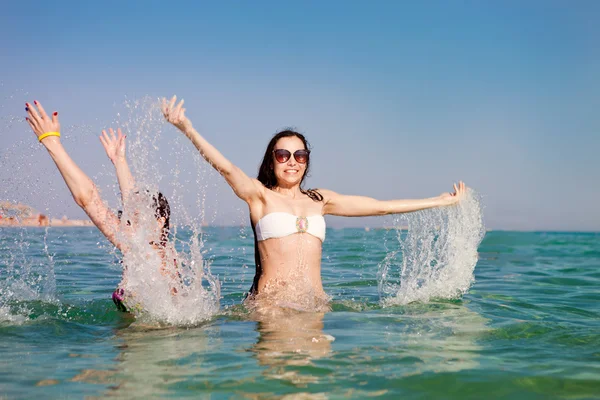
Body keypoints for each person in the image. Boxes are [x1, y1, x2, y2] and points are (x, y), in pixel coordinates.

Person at [161, 95, 467, 311]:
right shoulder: (260, 196)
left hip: (315, 305)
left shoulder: (320, 200)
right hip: (272, 306)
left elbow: (380, 206)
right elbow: (226, 168)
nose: (292, 162)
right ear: (272, 160)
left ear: (307, 161)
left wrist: (437, 201)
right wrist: (187, 129)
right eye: (283, 155)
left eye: (300, 155)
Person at [24, 100, 178, 313]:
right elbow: (130, 202)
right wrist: (120, 161)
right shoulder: (158, 253)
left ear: (160, 221)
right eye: (129, 216)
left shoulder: (143, 252)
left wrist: (52, 143)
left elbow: (89, 199)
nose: (129, 221)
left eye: (137, 216)